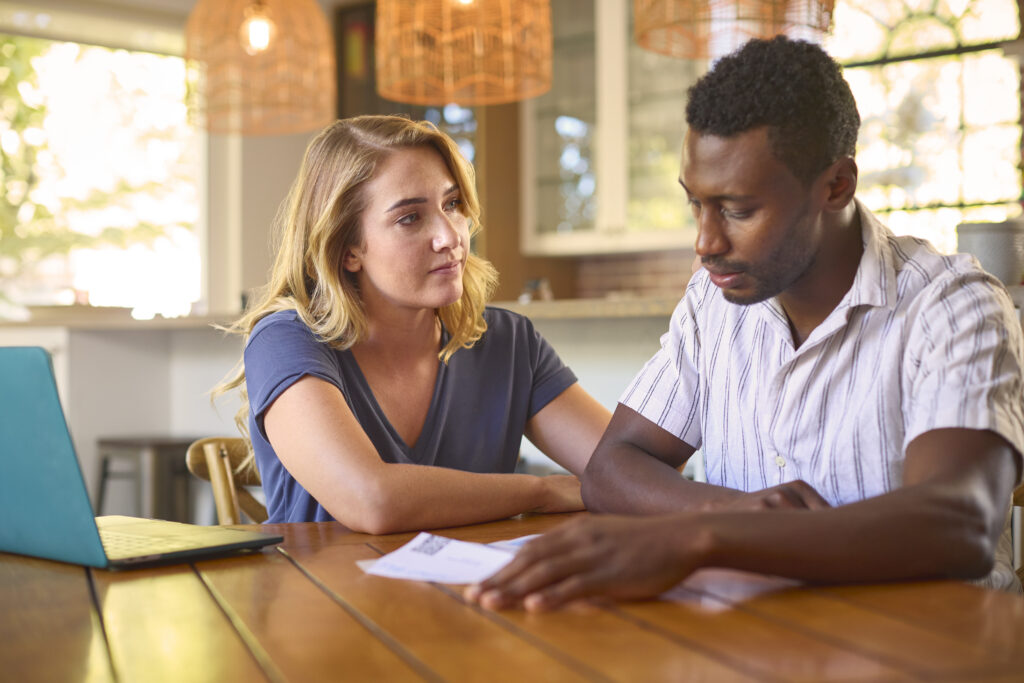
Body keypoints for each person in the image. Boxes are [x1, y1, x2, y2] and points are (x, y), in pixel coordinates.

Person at [465, 36, 1024, 612]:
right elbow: (611, 468)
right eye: (696, 205)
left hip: (930, 651)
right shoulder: (715, 301)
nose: (705, 243)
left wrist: (701, 537)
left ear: (837, 186)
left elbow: (959, 523)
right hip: (755, 640)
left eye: (737, 209)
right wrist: (725, 511)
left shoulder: (953, 305)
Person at [215, 115, 611, 533]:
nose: (450, 236)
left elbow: (630, 468)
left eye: (453, 204)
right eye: (410, 218)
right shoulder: (286, 341)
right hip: (327, 596)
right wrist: (541, 492)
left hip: (473, 595)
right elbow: (372, 500)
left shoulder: (509, 343)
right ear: (348, 249)